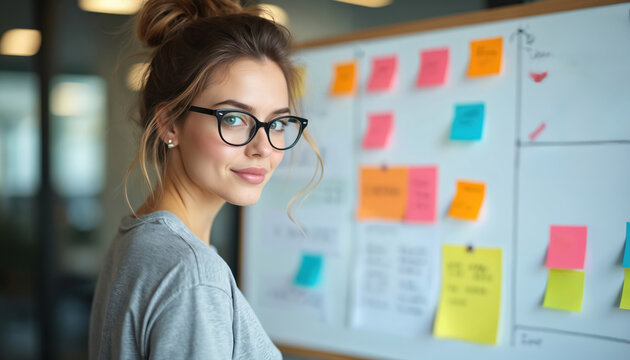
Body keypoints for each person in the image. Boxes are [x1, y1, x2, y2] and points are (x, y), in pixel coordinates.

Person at [89, 0, 322, 358]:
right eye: (233, 118)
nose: (263, 147)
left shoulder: (137, 239)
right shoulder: (193, 274)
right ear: (169, 122)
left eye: (277, 123)